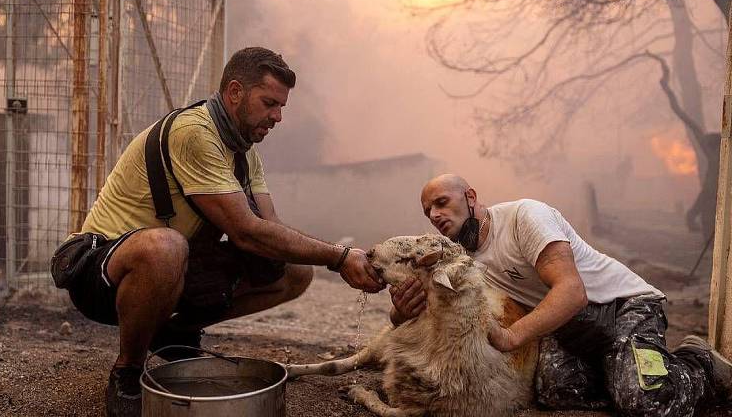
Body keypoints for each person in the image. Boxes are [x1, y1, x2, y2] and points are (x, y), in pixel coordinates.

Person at [50, 47, 384, 417]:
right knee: (165, 246)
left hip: (172, 273)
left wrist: (360, 260)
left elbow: (268, 231)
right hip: (103, 274)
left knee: (293, 272)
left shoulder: (245, 153)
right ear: (235, 92)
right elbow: (245, 232)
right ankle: (128, 371)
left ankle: (171, 333)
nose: (277, 117)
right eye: (269, 103)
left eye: (281, 108)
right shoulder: (194, 133)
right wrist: (339, 257)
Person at [389, 173, 732, 416]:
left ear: (471, 197)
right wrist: (400, 314)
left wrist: (511, 337)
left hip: (622, 307)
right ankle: (622, 370)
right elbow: (436, 311)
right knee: (554, 391)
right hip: (568, 326)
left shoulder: (525, 216)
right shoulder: (463, 262)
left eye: (442, 202)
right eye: (428, 211)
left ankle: (697, 362)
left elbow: (572, 292)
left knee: (646, 403)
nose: (435, 215)